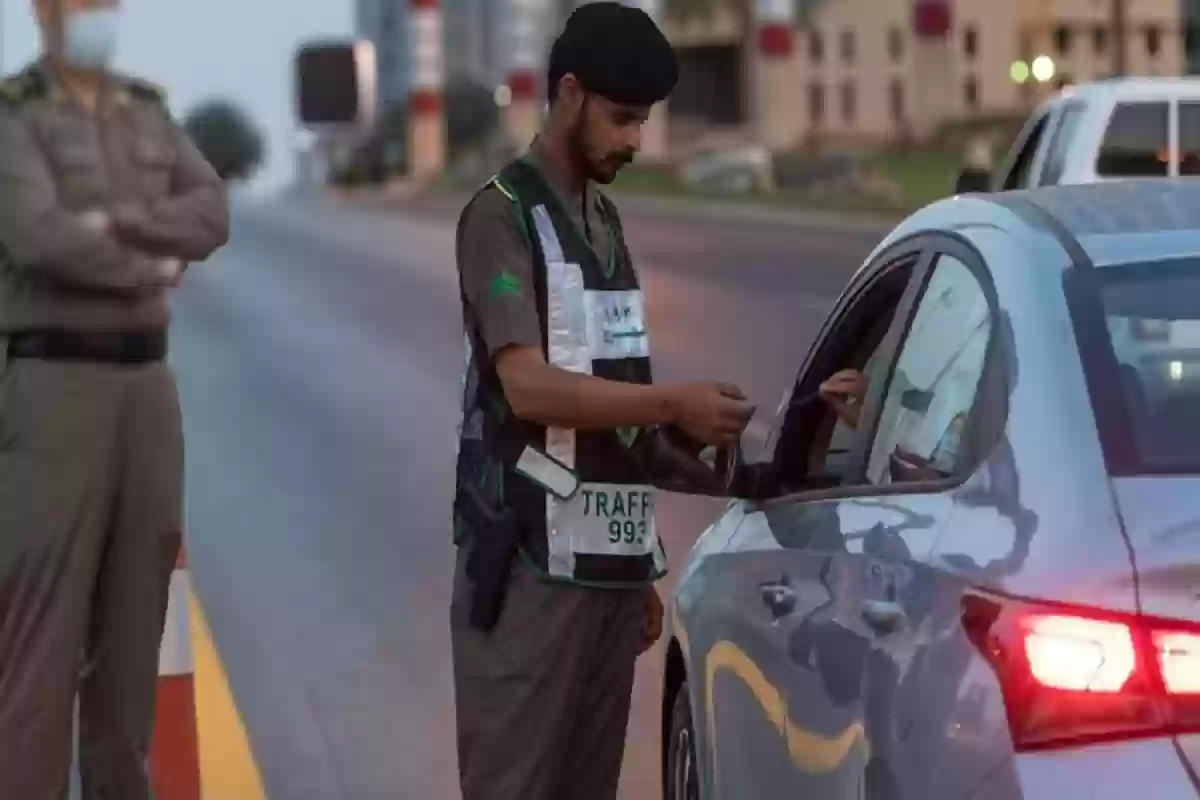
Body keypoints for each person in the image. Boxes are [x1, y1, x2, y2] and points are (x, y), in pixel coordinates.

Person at [450, 4, 755, 798]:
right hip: (526, 577)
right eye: (622, 118)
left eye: (644, 120)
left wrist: (638, 563)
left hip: (605, 585)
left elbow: (619, 413)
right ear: (571, 94)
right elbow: (528, 387)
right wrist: (673, 402)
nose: (634, 140)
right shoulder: (500, 217)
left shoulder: (606, 223)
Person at [0, 0, 229, 796]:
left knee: (133, 643)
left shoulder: (146, 110)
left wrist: (118, 221)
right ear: (43, 11)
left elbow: (211, 210)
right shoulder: (13, 116)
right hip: (52, 387)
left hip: (146, 390)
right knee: (39, 654)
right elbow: (38, 234)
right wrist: (152, 262)